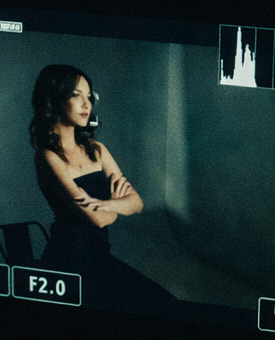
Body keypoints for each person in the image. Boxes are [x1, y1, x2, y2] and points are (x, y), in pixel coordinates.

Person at [30, 64, 175, 313]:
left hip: (100, 260)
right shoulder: (48, 157)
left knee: (166, 305)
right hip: (67, 265)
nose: (86, 104)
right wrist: (118, 205)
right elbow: (96, 219)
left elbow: (137, 203)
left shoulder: (97, 150)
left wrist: (107, 205)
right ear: (55, 99)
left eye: (89, 96)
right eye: (76, 95)